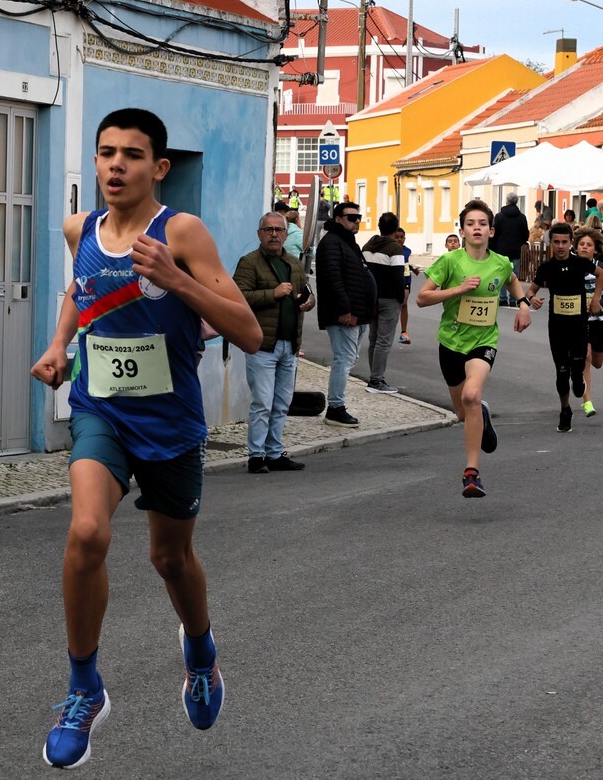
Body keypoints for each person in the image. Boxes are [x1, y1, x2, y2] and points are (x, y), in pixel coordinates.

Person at [28, 108, 261, 769]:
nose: (116, 165)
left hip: (171, 423)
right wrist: (59, 343)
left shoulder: (181, 232)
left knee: (170, 558)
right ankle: (84, 688)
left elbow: (249, 332)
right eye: (106, 152)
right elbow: (80, 289)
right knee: (87, 532)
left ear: (158, 167)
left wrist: (175, 277)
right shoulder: (80, 228)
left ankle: (200, 653)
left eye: (132, 155)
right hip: (101, 411)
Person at [415, 200, 531, 498]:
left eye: (482, 223)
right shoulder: (450, 262)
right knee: (462, 412)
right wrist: (458, 289)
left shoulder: (500, 262)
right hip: (451, 342)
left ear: (491, 231)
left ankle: (471, 473)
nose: (476, 228)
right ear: (462, 231)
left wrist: (523, 304)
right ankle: (482, 415)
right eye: (470, 223)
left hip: (484, 341)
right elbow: (422, 298)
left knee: (471, 395)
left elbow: (512, 280)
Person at [233, 212, 313, 473]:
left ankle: (275, 453)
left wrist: (308, 302)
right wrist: (273, 293)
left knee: (281, 404)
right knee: (262, 403)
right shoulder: (249, 262)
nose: (274, 234)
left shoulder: (293, 263)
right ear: (260, 234)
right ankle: (256, 456)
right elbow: (238, 297)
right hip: (263, 345)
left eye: (279, 230)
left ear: (286, 234)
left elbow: (306, 294)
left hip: (289, 345)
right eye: (269, 230)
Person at [524, 222, 603, 433]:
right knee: (561, 371)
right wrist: (532, 299)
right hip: (557, 327)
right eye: (556, 242)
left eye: (564, 242)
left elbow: (601, 274)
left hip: (579, 325)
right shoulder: (546, 268)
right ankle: (565, 410)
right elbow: (530, 290)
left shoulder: (580, 263)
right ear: (550, 243)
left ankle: (578, 379)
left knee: (577, 366)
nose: (560, 246)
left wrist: (596, 299)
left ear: (571, 243)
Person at [316, 200, 376, 425]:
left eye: (358, 218)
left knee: (348, 359)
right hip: (344, 315)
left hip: (358, 313)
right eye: (351, 218)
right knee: (343, 360)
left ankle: (337, 406)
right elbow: (333, 279)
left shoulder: (348, 241)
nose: (356, 221)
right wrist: (344, 309)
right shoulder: (332, 242)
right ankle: (335, 408)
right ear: (338, 219)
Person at [575, 230, 603, 417]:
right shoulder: (571, 266)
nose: (585, 247)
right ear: (576, 247)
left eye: (589, 245)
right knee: (585, 356)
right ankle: (587, 402)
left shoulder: (602, 268)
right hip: (579, 320)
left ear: (596, 250)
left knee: (597, 362)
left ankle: (577, 366)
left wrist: (599, 302)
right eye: (581, 244)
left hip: (599, 320)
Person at [361, 212, 407, 394]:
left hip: (371, 298)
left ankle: (374, 376)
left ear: (379, 227)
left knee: (373, 338)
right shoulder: (395, 248)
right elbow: (398, 276)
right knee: (384, 340)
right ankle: (376, 380)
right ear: (395, 229)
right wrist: (401, 298)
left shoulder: (367, 246)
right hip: (389, 298)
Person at [490, 191, 531, 294]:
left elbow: (494, 233)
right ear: (516, 201)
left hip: (501, 250)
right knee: (514, 275)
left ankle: (503, 297)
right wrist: (520, 242)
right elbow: (525, 234)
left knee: (501, 274)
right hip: (515, 250)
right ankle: (513, 298)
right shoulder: (522, 217)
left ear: (507, 201)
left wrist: (493, 246)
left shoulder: (499, 216)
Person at [394, 227, 413, 343]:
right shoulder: (391, 249)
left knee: (404, 303)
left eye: (401, 237)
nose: (399, 239)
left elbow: (406, 263)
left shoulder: (407, 251)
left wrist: (413, 268)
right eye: (397, 237)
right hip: (394, 281)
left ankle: (404, 332)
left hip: (406, 280)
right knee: (394, 306)